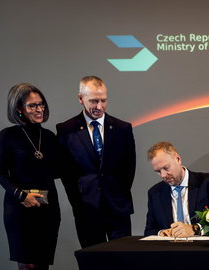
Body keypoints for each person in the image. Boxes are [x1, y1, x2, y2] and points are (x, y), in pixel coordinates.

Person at [56, 76, 136, 248]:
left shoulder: (123, 128)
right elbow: (66, 172)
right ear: (80, 99)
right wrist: (78, 203)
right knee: (93, 262)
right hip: (87, 210)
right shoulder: (66, 129)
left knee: (125, 261)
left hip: (118, 209)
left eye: (103, 100)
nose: (99, 107)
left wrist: (118, 195)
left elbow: (129, 168)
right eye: (93, 101)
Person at [0, 83, 61, 270]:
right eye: (32, 105)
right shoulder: (7, 135)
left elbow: (57, 171)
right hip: (20, 208)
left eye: (41, 104)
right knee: (28, 266)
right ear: (19, 108)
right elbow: (0, 173)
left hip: (48, 208)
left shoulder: (49, 136)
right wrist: (22, 195)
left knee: (42, 265)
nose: (39, 109)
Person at [144, 142, 209, 237]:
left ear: (178, 159)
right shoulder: (154, 193)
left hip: (202, 248)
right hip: (170, 249)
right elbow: (149, 230)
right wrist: (160, 233)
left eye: (166, 168)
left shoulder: (208, 182)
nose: (163, 175)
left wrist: (194, 229)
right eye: (158, 171)